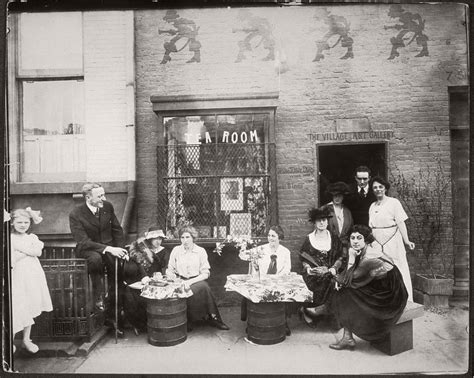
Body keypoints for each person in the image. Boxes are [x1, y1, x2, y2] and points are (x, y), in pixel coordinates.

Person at [329, 225, 408, 350]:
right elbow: (352, 277)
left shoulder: (368, 258)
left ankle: (347, 337)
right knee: (344, 291)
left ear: (365, 240)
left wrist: (351, 258)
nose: (355, 241)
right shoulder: (364, 250)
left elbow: (349, 279)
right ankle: (347, 337)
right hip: (379, 283)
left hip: (391, 293)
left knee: (345, 293)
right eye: (352, 238)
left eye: (359, 238)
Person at [69, 183, 128, 333]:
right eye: (100, 196)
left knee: (118, 265)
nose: (104, 198)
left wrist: (121, 249)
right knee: (95, 260)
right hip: (89, 249)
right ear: (88, 197)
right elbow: (83, 241)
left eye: (103, 194)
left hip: (109, 248)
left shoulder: (107, 206)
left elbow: (117, 230)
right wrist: (108, 249)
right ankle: (98, 296)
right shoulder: (76, 214)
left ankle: (114, 313)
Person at [166, 226, 229, 331]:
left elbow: (205, 273)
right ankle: (186, 321)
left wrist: (190, 282)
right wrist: (173, 278)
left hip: (196, 280)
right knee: (181, 289)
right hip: (180, 281)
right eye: (182, 238)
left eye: (187, 237)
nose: (185, 240)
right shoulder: (176, 250)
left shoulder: (200, 251)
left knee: (204, 287)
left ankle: (215, 319)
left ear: (193, 238)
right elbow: (170, 269)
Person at [10, 208, 53, 354]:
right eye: (19, 222)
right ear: (12, 223)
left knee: (30, 304)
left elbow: (37, 252)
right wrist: (27, 252)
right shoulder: (9, 238)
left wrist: (21, 251)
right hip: (17, 276)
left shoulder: (32, 238)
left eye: (26, 222)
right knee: (17, 306)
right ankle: (9, 341)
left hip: (32, 276)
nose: (23, 225)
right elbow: (11, 259)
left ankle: (26, 340)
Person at [369, 176, 415, 301]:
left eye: (380, 187)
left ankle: (405, 299)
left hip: (393, 241)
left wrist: (407, 240)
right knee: (380, 269)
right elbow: (372, 227)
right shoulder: (372, 206)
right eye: (375, 187)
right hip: (377, 242)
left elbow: (401, 222)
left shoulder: (394, 202)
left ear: (385, 188)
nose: (378, 189)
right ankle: (385, 300)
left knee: (397, 267)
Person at [299, 207, 345, 328]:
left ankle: (322, 313)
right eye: (318, 220)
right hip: (313, 274)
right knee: (319, 281)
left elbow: (340, 257)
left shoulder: (334, 238)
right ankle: (309, 311)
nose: (322, 223)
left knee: (332, 282)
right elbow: (304, 258)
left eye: (324, 220)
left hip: (330, 271)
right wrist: (309, 268)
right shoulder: (309, 239)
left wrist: (333, 268)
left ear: (327, 221)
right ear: (314, 223)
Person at [241, 225, 292, 335]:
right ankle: (253, 323)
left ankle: (283, 322)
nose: (270, 238)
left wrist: (276, 279)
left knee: (285, 291)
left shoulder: (285, 252)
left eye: (273, 236)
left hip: (277, 281)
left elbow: (287, 269)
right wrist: (242, 246)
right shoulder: (261, 249)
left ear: (280, 237)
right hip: (262, 281)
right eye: (269, 235)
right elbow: (244, 256)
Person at [122, 227, 170, 334]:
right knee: (131, 294)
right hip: (139, 279)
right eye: (155, 239)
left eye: (160, 239)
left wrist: (161, 276)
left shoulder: (163, 251)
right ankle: (138, 324)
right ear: (149, 239)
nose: (158, 241)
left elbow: (165, 267)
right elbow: (133, 267)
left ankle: (155, 324)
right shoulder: (140, 250)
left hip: (156, 280)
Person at [322, 181, 354, 256]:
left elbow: (350, 229)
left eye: (339, 195)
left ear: (343, 196)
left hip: (344, 249)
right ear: (331, 196)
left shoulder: (347, 211)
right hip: (328, 247)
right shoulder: (325, 209)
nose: (337, 198)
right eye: (335, 195)